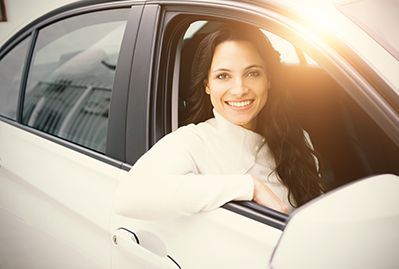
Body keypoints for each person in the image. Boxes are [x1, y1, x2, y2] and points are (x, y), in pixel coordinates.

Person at [115, 22, 323, 220]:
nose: (240, 89)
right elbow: (128, 198)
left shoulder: (297, 137)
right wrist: (249, 187)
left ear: (268, 80)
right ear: (207, 85)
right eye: (223, 76)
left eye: (252, 73)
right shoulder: (193, 140)